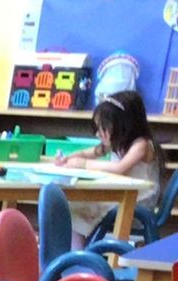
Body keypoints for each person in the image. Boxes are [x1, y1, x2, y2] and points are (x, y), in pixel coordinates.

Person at [55, 90, 162, 244]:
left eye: (103, 128)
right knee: (75, 208)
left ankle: (79, 254)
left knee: (79, 209)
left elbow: (120, 168)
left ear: (123, 125)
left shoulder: (141, 145)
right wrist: (68, 158)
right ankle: (78, 253)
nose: (98, 134)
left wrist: (84, 165)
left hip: (138, 202)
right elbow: (88, 152)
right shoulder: (117, 142)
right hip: (121, 196)